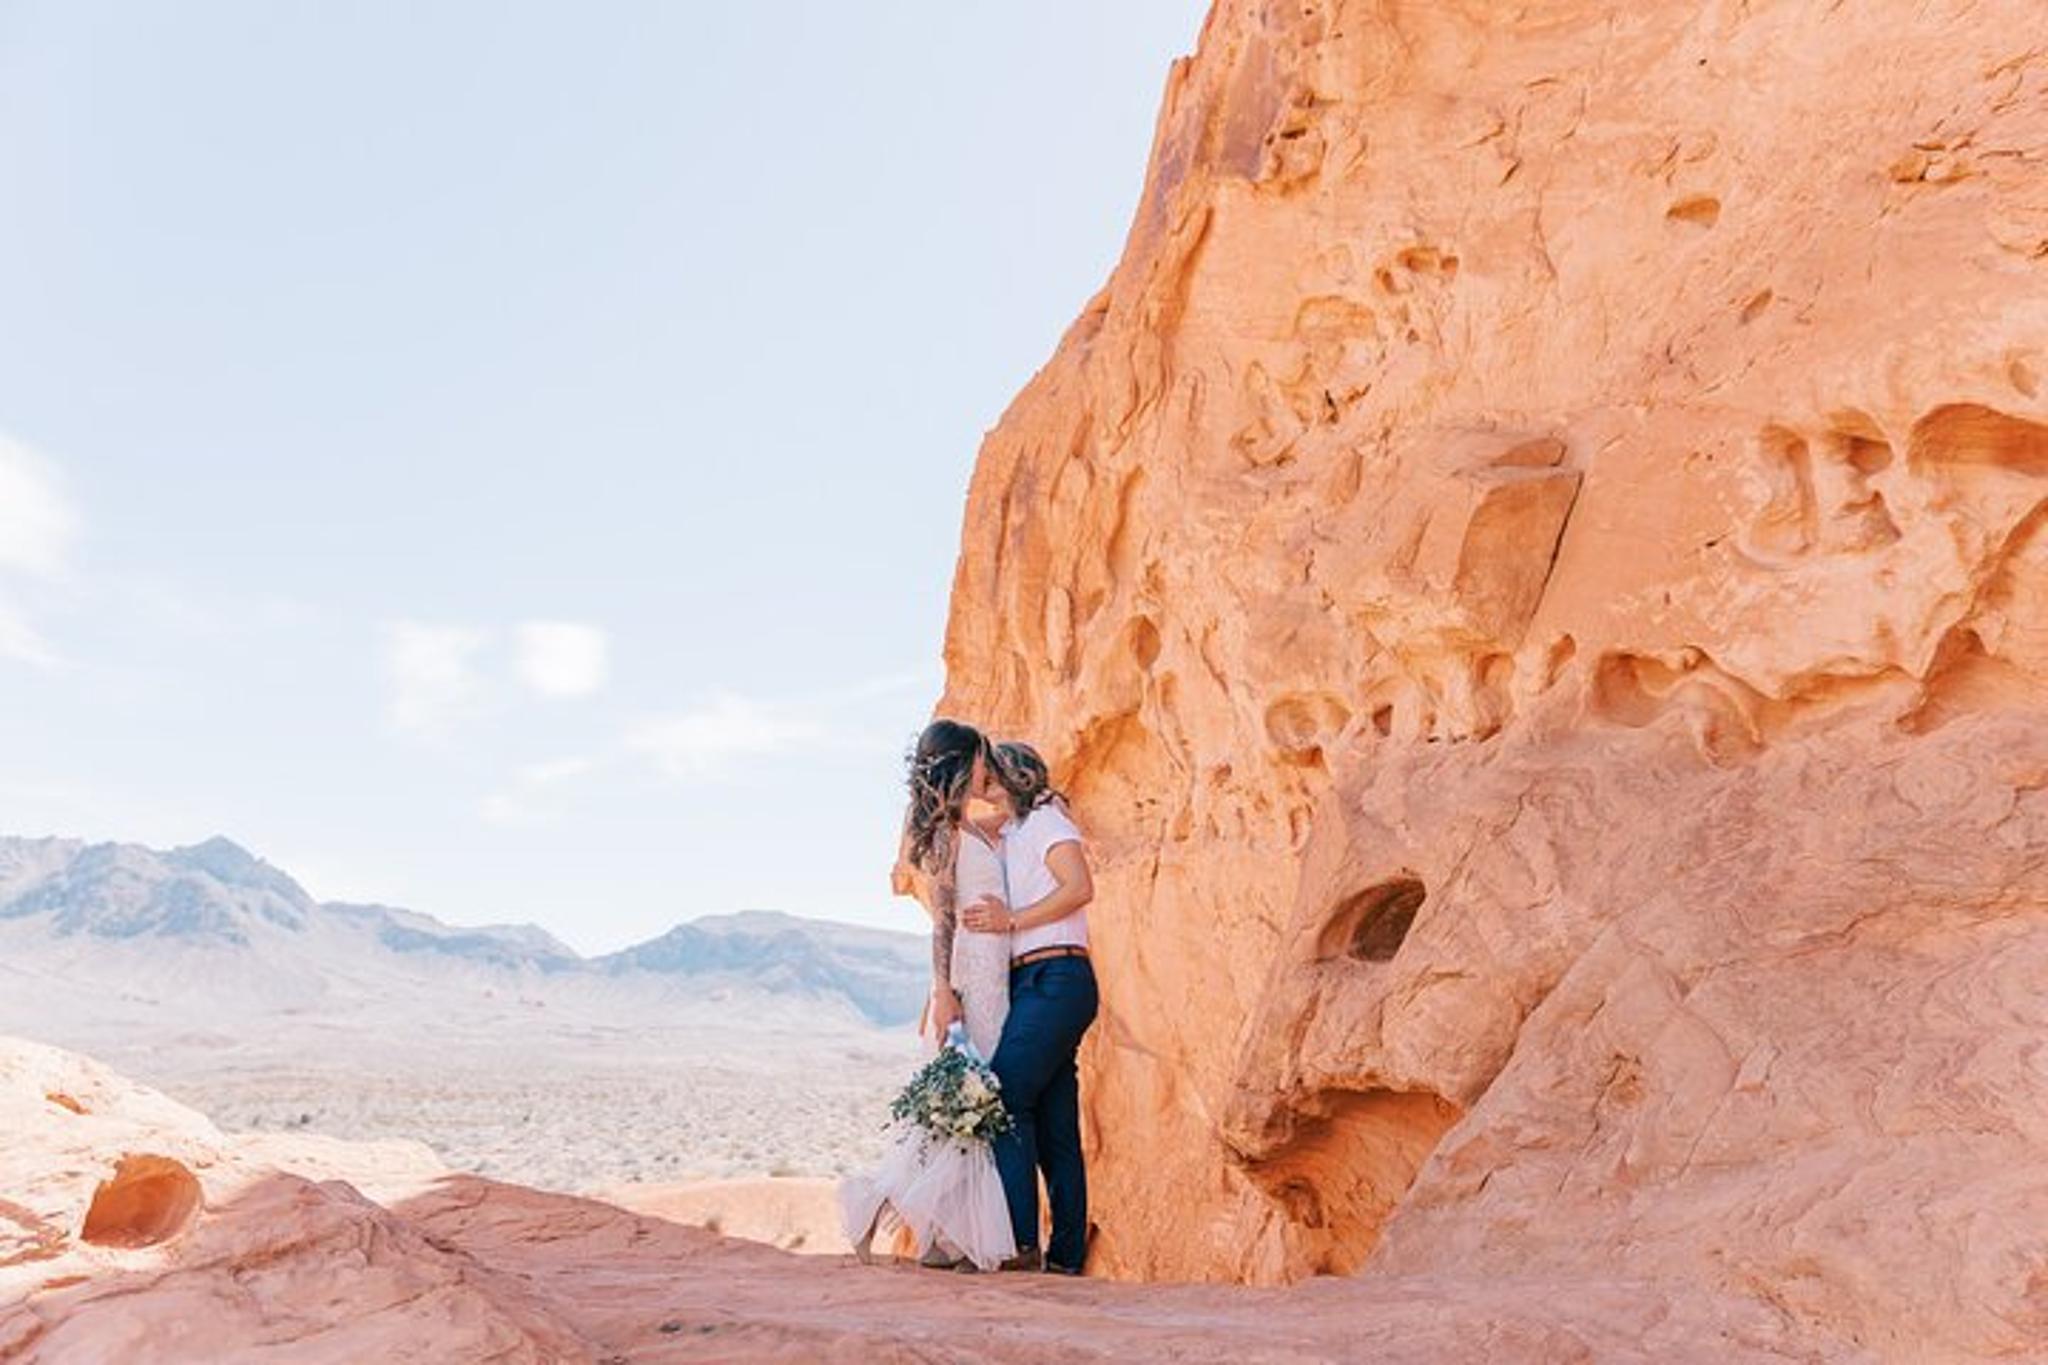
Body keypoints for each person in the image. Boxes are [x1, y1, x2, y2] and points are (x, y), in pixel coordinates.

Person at [842, 719, 1015, 1271]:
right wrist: (945, 992)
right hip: (970, 976)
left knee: (966, 1109)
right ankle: (872, 1203)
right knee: (968, 1102)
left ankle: (943, 1242)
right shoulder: (944, 835)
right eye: (982, 761)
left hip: (991, 970)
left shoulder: (969, 828)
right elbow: (941, 923)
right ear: (963, 765)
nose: (988, 769)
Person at [959, 741, 1098, 1275]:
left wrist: (1010, 920)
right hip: (1037, 982)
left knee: (1006, 1097)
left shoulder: (1046, 821)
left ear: (1016, 779)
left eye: (993, 776)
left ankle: (1019, 1244)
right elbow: (973, 824)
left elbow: (1079, 887)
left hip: (1057, 976)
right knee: (1056, 1124)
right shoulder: (1015, 830)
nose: (986, 783)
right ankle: (1065, 1257)